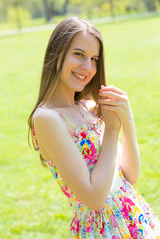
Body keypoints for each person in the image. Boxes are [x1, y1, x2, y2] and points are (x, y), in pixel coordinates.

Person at [28, 17, 160, 238]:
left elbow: (130, 176)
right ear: (57, 53)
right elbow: (94, 198)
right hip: (102, 230)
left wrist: (127, 122)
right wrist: (110, 130)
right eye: (78, 54)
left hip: (136, 221)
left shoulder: (89, 106)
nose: (87, 67)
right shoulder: (47, 118)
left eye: (94, 59)